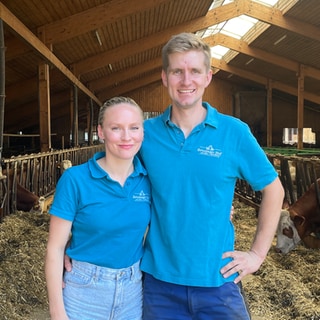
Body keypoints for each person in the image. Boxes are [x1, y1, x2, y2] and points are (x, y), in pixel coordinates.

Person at [138, 32, 284, 319]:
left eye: (195, 71)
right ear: (165, 77)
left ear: (208, 77)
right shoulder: (145, 134)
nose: (186, 80)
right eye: (177, 71)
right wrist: (79, 244)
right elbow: (108, 183)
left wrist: (256, 255)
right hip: (159, 282)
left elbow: (274, 190)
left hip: (217, 281)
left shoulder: (235, 132)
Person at [45, 97, 151, 320]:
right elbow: (55, 248)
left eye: (134, 127)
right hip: (84, 291)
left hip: (133, 290)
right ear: (101, 132)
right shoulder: (75, 179)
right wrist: (57, 312)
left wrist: (218, 210)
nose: (126, 136)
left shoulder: (149, 179)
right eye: (116, 128)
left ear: (142, 132)